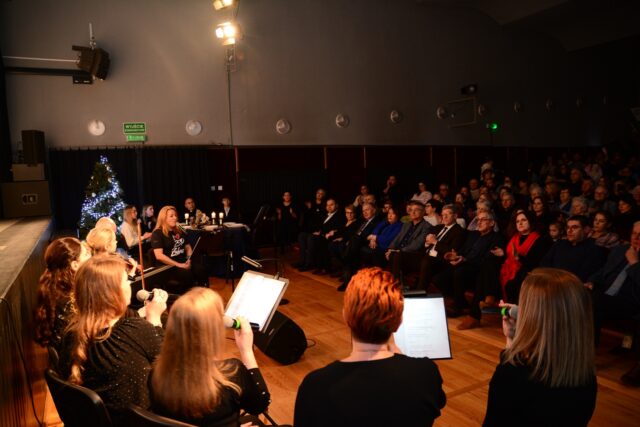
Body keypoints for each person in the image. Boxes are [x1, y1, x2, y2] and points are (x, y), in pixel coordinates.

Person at [294, 268, 446, 426]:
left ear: (346, 316)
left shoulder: (315, 385)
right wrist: (403, 360)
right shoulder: (426, 372)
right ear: (399, 322)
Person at [59, 254, 168, 426]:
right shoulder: (133, 330)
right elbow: (169, 362)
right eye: (126, 280)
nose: (130, 284)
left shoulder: (70, 335)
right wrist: (154, 318)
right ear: (113, 293)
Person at [483, 268, 597, 426]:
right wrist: (512, 339)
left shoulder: (511, 375)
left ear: (533, 316)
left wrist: (511, 344)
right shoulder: (586, 376)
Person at [150, 288, 270, 426]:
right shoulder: (232, 374)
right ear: (214, 331)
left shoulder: (155, 373)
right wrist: (246, 350)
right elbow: (260, 405)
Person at [34, 237, 92, 353]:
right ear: (75, 265)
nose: (91, 257)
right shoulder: (68, 301)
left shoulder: (56, 288)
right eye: (86, 254)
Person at [150, 205, 208, 291]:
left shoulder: (179, 230)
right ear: (163, 218)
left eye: (175, 215)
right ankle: (188, 297)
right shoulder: (157, 233)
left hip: (182, 261)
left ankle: (203, 294)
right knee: (187, 274)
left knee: (201, 270)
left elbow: (187, 246)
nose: (175, 218)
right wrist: (179, 265)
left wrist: (188, 259)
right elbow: (159, 256)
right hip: (168, 266)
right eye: (171, 216)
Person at [497, 210, 548, 303]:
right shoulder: (514, 237)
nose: (520, 223)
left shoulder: (539, 240)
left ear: (530, 221)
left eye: (523, 220)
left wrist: (519, 257)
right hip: (508, 269)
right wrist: (502, 254)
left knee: (512, 285)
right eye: (517, 221)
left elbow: (535, 263)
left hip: (527, 271)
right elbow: (509, 256)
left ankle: (513, 310)